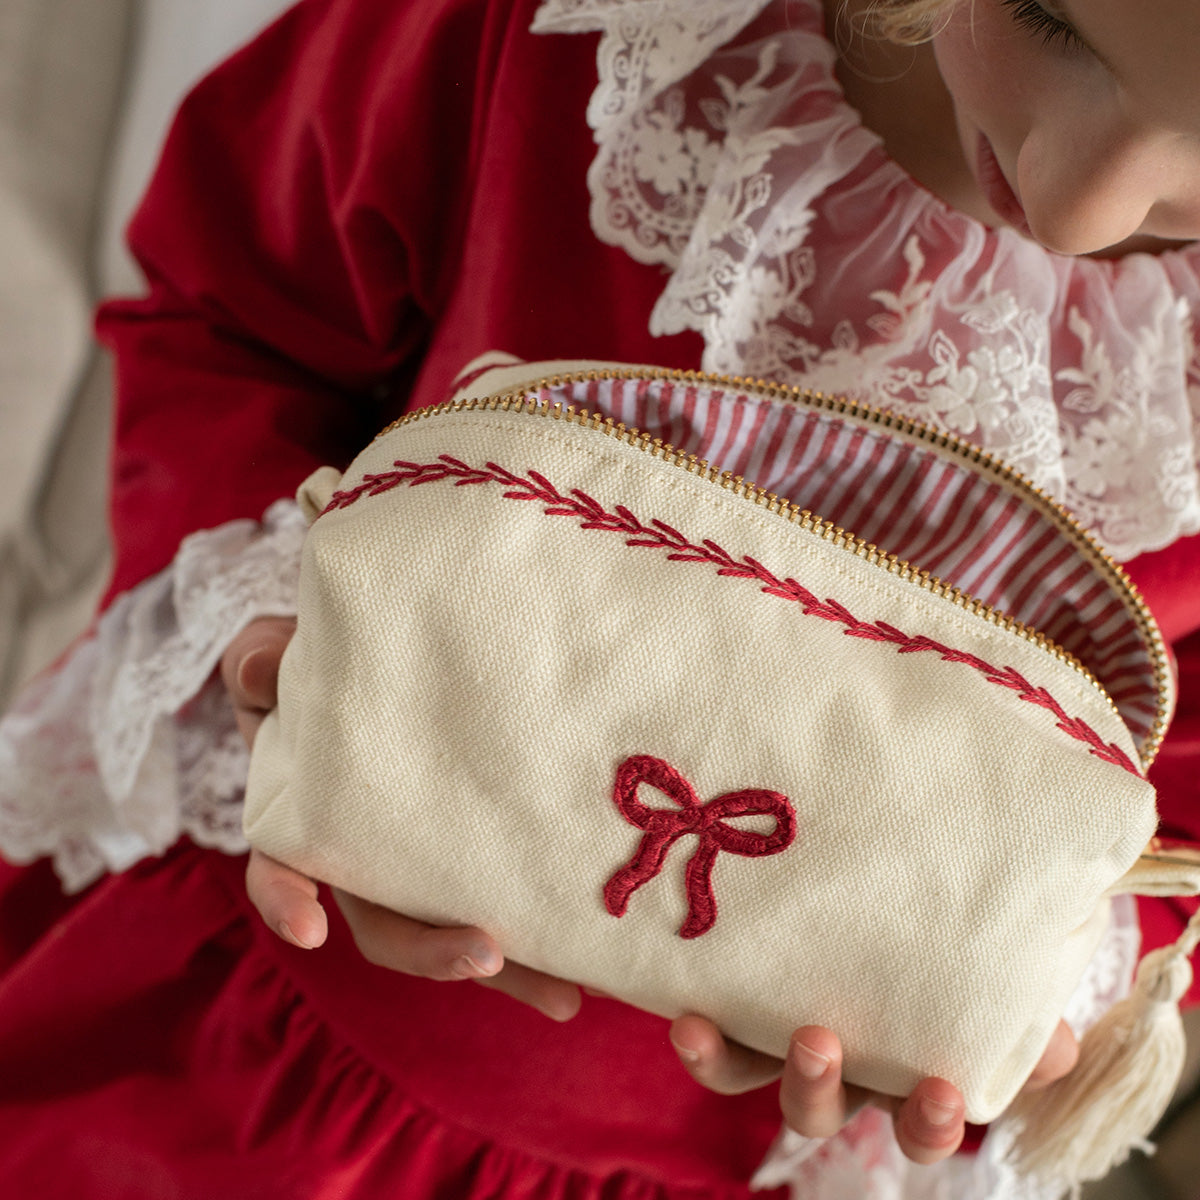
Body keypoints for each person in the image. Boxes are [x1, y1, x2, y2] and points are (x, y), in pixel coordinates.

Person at [0, 0, 1198, 1194]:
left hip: (685, 1163)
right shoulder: (595, 35)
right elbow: (233, 314)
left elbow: (1174, 832)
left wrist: (1029, 988)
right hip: (219, 1050)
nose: (1078, 202)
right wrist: (267, 639)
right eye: (1051, 21)